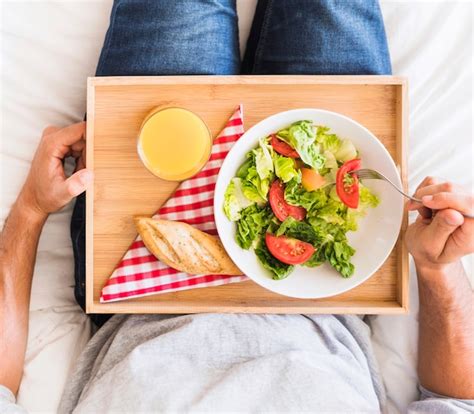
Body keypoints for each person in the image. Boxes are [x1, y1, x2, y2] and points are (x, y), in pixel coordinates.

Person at [0, 1, 472, 412]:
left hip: (140, 273)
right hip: (326, 296)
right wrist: (437, 271)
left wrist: (29, 210)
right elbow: (457, 402)